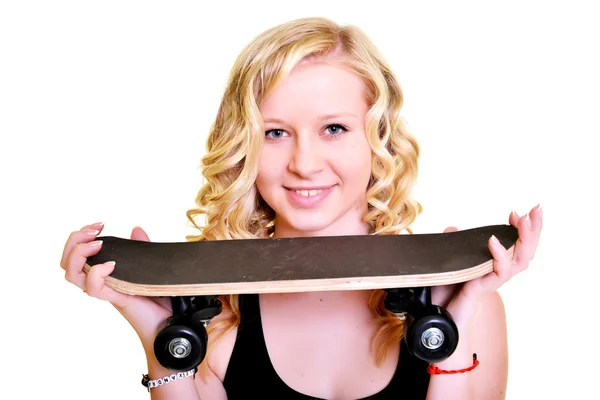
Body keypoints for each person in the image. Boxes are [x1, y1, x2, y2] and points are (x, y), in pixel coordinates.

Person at [60, 17, 543, 399]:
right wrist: (157, 330)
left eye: (334, 128)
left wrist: (451, 333)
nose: (304, 164)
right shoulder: (216, 309)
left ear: (379, 140)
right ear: (243, 145)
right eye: (275, 132)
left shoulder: (468, 304)